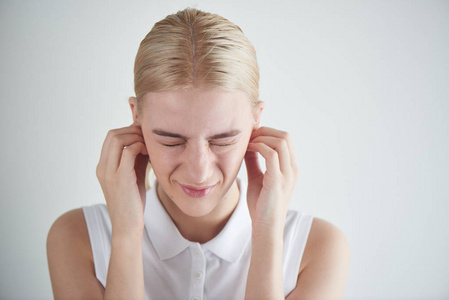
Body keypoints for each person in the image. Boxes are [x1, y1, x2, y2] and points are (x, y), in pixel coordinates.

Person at [47, 8, 350, 300]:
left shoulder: (317, 248)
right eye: (171, 141)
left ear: (255, 120)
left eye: (223, 140)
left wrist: (268, 235)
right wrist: (125, 234)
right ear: (136, 117)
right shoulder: (78, 237)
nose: (198, 171)